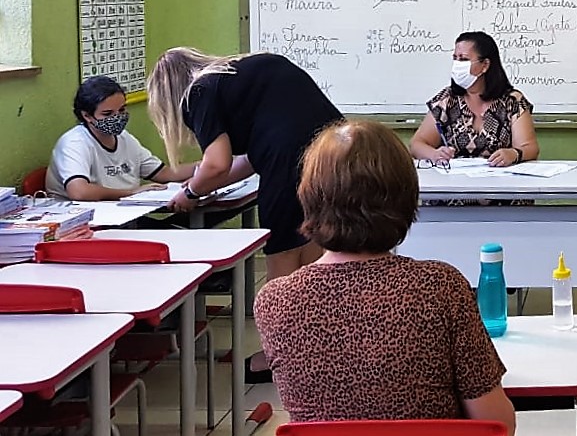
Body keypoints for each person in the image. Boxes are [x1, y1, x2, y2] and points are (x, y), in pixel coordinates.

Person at [254, 121, 516, 433]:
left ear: (309, 198)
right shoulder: (440, 287)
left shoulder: (275, 301)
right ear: (405, 198)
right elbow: (497, 424)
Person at [147, 48, 344, 382]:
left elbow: (217, 162)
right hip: (333, 155)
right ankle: (319, 349)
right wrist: (200, 185)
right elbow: (249, 159)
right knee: (315, 258)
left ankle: (278, 359)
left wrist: (191, 193)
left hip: (291, 167)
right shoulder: (247, 72)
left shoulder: (199, 92)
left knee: (282, 267)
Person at [46, 76, 196, 201]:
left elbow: (163, 173)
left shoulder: (124, 138)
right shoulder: (75, 143)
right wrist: (131, 193)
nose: (117, 118)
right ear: (86, 116)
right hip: (88, 222)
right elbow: (79, 192)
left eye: (122, 110)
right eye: (107, 114)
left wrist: (205, 167)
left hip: (124, 214)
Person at [409, 31, 539, 169]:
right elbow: (416, 144)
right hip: (453, 182)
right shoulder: (447, 99)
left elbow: (530, 148)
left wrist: (513, 154)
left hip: (500, 183)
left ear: (485, 65)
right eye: (455, 58)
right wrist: (434, 154)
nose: (457, 64)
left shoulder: (512, 101)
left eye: (464, 59)